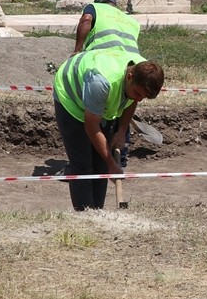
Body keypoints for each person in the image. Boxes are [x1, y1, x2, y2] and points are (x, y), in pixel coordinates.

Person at [52, 49, 165, 211]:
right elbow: (91, 126)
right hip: (71, 97)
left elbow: (132, 100)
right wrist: (112, 164)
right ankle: (85, 217)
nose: (139, 99)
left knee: (101, 166)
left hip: (100, 100)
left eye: (143, 97)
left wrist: (121, 131)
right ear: (129, 76)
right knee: (83, 165)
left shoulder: (141, 72)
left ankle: (98, 212)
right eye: (138, 94)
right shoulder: (101, 82)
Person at [73, 0, 142, 167]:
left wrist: (78, 50)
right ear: (114, 5)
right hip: (130, 63)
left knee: (93, 111)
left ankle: (91, 161)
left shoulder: (95, 9)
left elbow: (86, 20)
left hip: (104, 63)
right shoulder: (127, 18)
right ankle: (120, 159)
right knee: (123, 104)